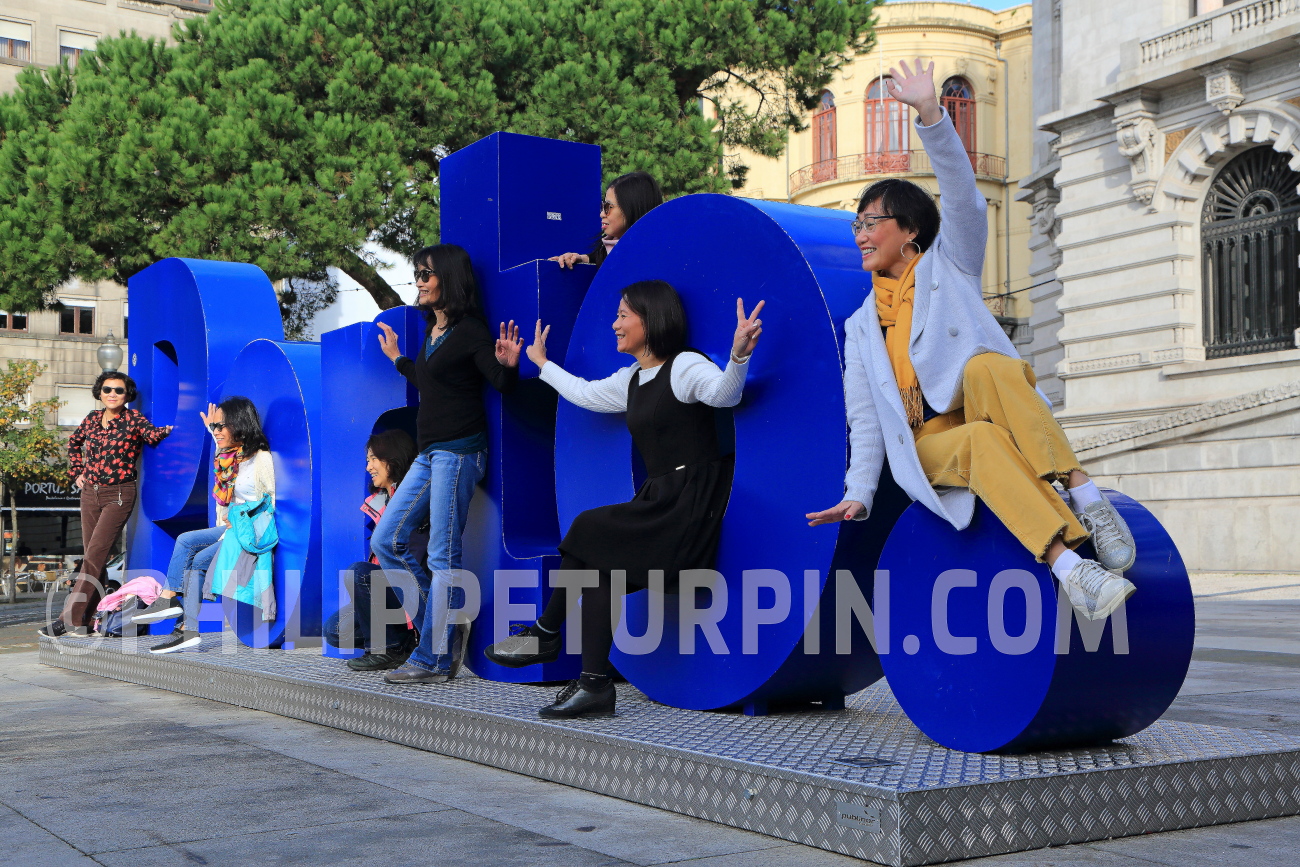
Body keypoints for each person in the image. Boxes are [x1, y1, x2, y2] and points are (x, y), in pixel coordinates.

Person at [805, 60, 1137, 622]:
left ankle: (1085, 494)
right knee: (980, 440)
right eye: (856, 226)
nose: (860, 235)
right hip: (928, 442)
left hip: (986, 402)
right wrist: (859, 491)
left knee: (988, 367)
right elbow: (866, 417)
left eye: (871, 223)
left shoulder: (951, 265)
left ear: (910, 230)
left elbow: (963, 197)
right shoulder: (862, 325)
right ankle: (1073, 571)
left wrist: (931, 114)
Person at [484, 281, 764, 718]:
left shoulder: (685, 365)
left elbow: (724, 395)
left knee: (587, 527)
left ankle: (546, 631)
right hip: (657, 500)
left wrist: (739, 355)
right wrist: (541, 364)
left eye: (622, 315)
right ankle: (594, 685)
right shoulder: (632, 378)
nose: (614, 324)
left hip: (690, 504)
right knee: (600, 569)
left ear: (651, 320)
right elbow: (585, 394)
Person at [374, 243, 523, 685]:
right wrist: (399, 359)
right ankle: (444, 631)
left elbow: (499, 381)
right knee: (386, 540)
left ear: (450, 279)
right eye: (417, 273)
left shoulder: (470, 330)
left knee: (442, 556)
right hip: (430, 453)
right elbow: (430, 380)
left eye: (426, 274)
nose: (419, 281)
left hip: (458, 452)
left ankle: (433, 657)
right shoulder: (434, 331)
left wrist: (509, 365)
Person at [132, 396, 275, 652]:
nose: (217, 431)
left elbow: (272, 500)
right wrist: (212, 429)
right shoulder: (231, 457)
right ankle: (172, 603)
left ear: (239, 424)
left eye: (222, 426)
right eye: (215, 427)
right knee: (186, 540)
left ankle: (185, 625)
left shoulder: (260, 459)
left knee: (197, 559)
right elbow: (222, 453)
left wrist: (244, 516)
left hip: (249, 531)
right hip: (231, 528)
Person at [40, 372, 171, 639]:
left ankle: (69, 620)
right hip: (90, 493)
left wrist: (169, 431)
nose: (112, 394)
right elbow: (74, 443)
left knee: (94, 555)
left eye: (119, 390)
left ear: (127, 395)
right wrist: (77, 471)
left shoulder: (134, 419)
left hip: (118, 495)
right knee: (94, 558)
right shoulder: (91, 418)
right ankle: (86, 622)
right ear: (99, 392)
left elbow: (153, 435)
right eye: (107, 389)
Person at [325, 429, 424, 670]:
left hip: (412, 588)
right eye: (367, 460)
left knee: (359, 572)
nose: (368, 467)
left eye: (373, 459)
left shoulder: (413, 497)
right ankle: (401, 642)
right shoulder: (382, 499)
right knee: (335, 631)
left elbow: (415, 555)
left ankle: (389, 649)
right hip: (393, 589)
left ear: (393, 458)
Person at [549, 172, 663, 269]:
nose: (602, 214)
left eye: (608, 207)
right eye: (602, 207)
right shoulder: (603, 253)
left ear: (632, 208)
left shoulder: (657, 258)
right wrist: (579, 259)